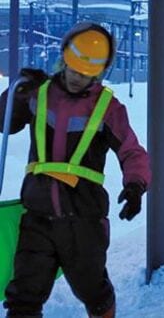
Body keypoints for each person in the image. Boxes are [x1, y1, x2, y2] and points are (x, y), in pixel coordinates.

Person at [0, 22, 151, 318]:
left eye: (86, 75)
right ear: (63, 60)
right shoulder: (38, 94)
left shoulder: (108, 108)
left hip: (84, 219)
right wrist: (16, 93)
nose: (77, 78)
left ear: (99, 73)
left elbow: (132, 151)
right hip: (38, 216)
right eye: (73, 70)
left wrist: (136, 185)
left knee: (93, 289)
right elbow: (3, 121)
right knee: (24, 295)